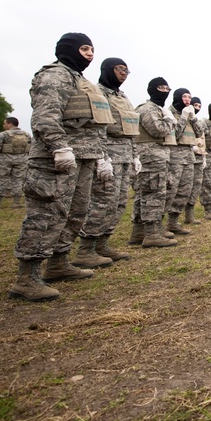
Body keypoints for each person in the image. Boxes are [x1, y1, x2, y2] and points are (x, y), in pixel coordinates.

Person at [9, 33, 114, 301]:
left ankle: (58, 263)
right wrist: (58, 146)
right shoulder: (55, 75)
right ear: (69, 49)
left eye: (92, 49)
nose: (90, 54)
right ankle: (27, 277)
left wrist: (101, 156)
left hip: (84, 158)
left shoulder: (82, 81)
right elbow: (45, 116)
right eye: (84, 48)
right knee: (46, 214)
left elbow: (96, 125)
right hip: (55, 158)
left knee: (75, 212)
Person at [74, 58, 140, 267]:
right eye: (120, 69)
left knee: (119, 202)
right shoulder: (97, 92)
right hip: (108, 154)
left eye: (126, 71)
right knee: (102, 201)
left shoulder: (123, 97)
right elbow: (97, 127)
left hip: (125, 155)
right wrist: (102, 157)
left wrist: (135, 155)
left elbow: (131, 129)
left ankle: (102, 242)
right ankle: (86, 249)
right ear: (107, 70)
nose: (123, 74)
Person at [129, 78, 180, 248]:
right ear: (152, 89)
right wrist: (170, 120)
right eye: (160, 87)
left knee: (147, 193)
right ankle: (151, 234)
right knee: (153, 193)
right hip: (151, 156)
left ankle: (139, 232)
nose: (164, 90)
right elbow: (158, 130)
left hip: (158, 155)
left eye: (167, 87)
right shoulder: (147, 109)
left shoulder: (158, 109)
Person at [164, 88, 202, 235]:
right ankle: (157, 225)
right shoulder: (169, 113)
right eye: (184, 96)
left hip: (188, 156)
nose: (187, 100)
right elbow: (176, 134)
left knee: (184, 191)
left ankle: (173, 222)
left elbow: (199, 133)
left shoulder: (189, 113)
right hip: (174, 155)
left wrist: (192, 118)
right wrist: (183, 118)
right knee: (170, 189)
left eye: (189, 97)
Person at [0, 117, 32, 208]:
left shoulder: (3, 135)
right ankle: (16, 202)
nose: (4, 125)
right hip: (22, 160)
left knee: (0, 179)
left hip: (4, 159)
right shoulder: (27, 135)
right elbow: (31, 147)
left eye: (5, 123)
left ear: (10, 124)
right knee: (19, 180)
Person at [186, 97, 206, 225]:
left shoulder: (198, 122)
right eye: (195, 105)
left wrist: (204, 157)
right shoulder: (182, 119)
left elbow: (202, 140)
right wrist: (189, 146)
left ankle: (189, 214)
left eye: (199, 106)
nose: (197, 108)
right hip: (185, 158)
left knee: (196, 187)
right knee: (184, 188)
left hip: (198, 158)